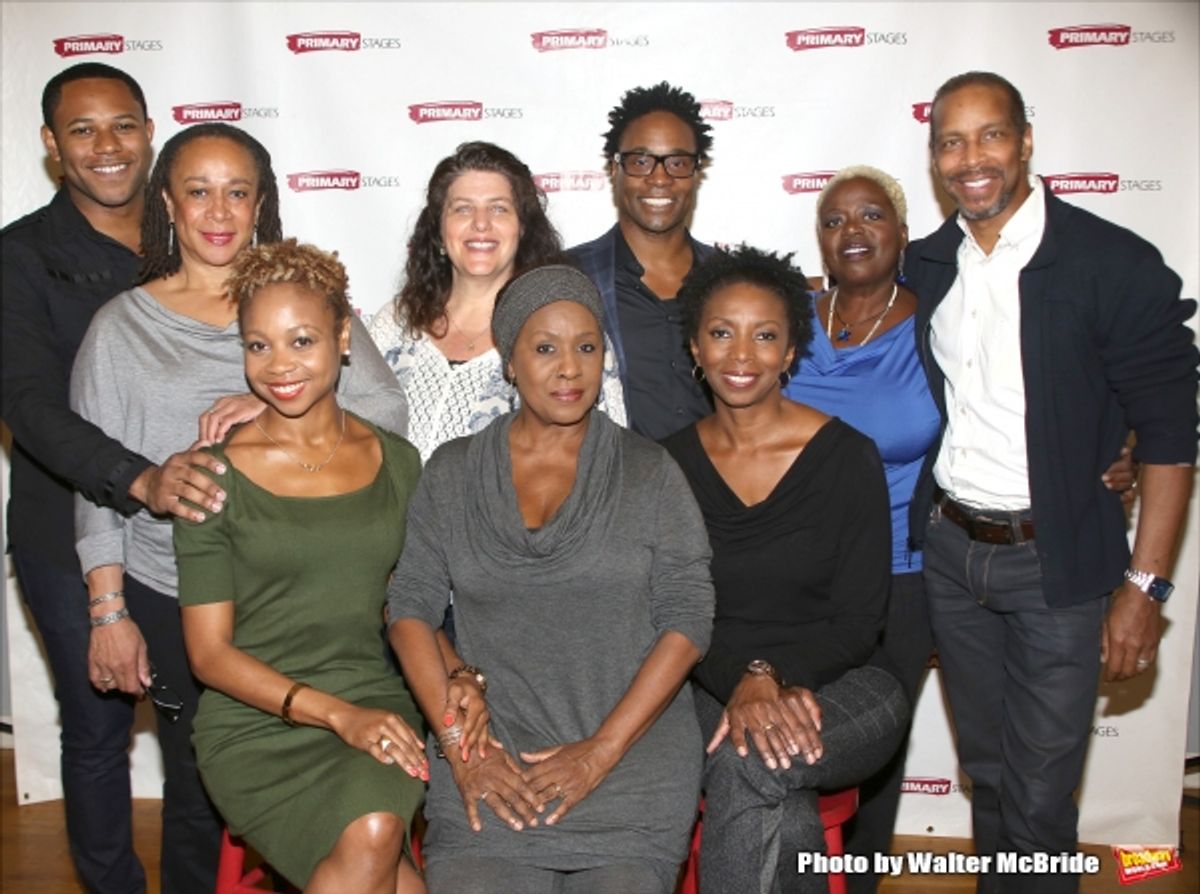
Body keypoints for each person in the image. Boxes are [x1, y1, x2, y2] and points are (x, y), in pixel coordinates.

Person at [69, 123, 407, 893]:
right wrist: (107, 609)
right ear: (167, 203)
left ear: (261, 203)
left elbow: (387, 412)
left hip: (307, 593)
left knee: (355, 807)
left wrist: (269, 405)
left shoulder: (299, 304)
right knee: (195, 802)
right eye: (198, 191)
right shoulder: (120, 327)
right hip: (172, 593)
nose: (218, 211)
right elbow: (95, 479)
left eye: (237, 191)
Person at [906, 71, 1198, 894]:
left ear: (1027, 141)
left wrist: (1144, 587)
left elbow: (1172, 435)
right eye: (952, 142)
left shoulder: (1111, 262)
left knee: (1038, 798)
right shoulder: (929, 265)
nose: (972, 159)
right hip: (952, 556)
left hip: (1057, 566)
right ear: (934, 157)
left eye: (991, 135)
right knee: (991, 776)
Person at [387, 264, 715, 894]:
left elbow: (689, 618)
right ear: (510, 361)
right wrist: (462, 751)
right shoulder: (453, 472)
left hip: (630, 766)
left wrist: (600, 752)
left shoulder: (649, 472)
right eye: (545, 349)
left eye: (586, 348)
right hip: (491, 762)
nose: (570, 368)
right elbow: (408, 609)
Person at [0, 62, 223, 893]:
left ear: (149, 131)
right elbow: (27, 404)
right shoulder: (20, 256)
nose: (107, 145)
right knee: (98, 733)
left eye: (123, 124)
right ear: (52, 145)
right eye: (83, 129)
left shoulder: (196, 235)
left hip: (197, 535)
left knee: (201, 735)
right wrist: (138, 479)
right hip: (67, 530)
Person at [174, 239, 426, 893]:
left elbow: (406, 607)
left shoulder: (398, 463)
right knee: (377, 838)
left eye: (302, 341)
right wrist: (337, 716)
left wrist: (458, 681)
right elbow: (208, 655)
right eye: (258, 345)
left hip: (371, 694)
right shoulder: (210, 478)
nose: (279, 366)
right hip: (252, 718)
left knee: (376, 836)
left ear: (343, 338)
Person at [662, 246, 909, 894]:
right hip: (708, 683)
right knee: (762, 774)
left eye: (765, 335)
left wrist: (773, 676)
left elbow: (859, 622)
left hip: (846, 684)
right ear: (695, 347)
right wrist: (744, 680)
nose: (742, 355)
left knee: (750, 758)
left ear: (791, 351)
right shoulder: (666, 468)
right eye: (722, 333)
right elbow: (674, 615)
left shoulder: (847, 456)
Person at [369, 141, 624, 462]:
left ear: (522, 227)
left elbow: (612, 454)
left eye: (498, 208)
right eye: (463, 208)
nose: (481, 223)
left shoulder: (567, 327)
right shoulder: (394, 323)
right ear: (438, 229)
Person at [569, 82, 716, 440]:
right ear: (613, 169)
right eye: (641, 161)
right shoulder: (569, 277)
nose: (660, 178)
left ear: (696, 173)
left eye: (678, 162)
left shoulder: (730, 280)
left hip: (718, 476)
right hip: (611, 474)